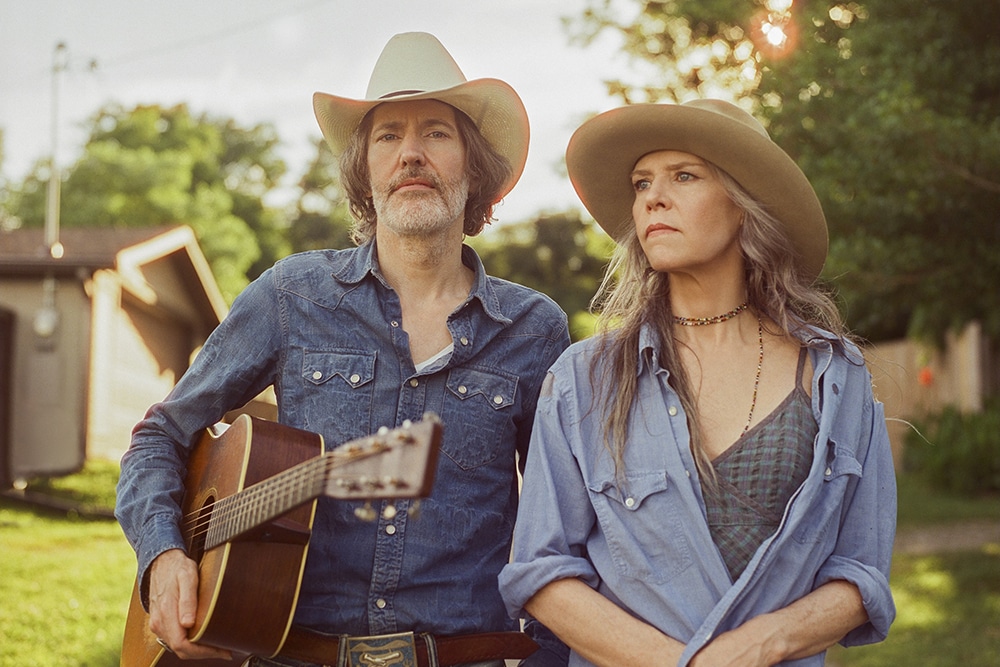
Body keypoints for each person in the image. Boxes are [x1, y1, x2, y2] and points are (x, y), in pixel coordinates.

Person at [116, 32, 570, 666]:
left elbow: (562, 528)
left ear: (474, 167)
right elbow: (159, 436)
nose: (411, 153)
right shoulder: (291, 295)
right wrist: (164, 556)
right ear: (364, 169)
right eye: (388, 136)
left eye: (437, 132)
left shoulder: (533, 329)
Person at [498, 99, 897, 666]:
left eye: (684, 176)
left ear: (743, 207)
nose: (653, 198)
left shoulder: (835, 376)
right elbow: (540, 571)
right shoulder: (583, 380)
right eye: (641, 183)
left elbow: (861, 574)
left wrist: (759, 647)